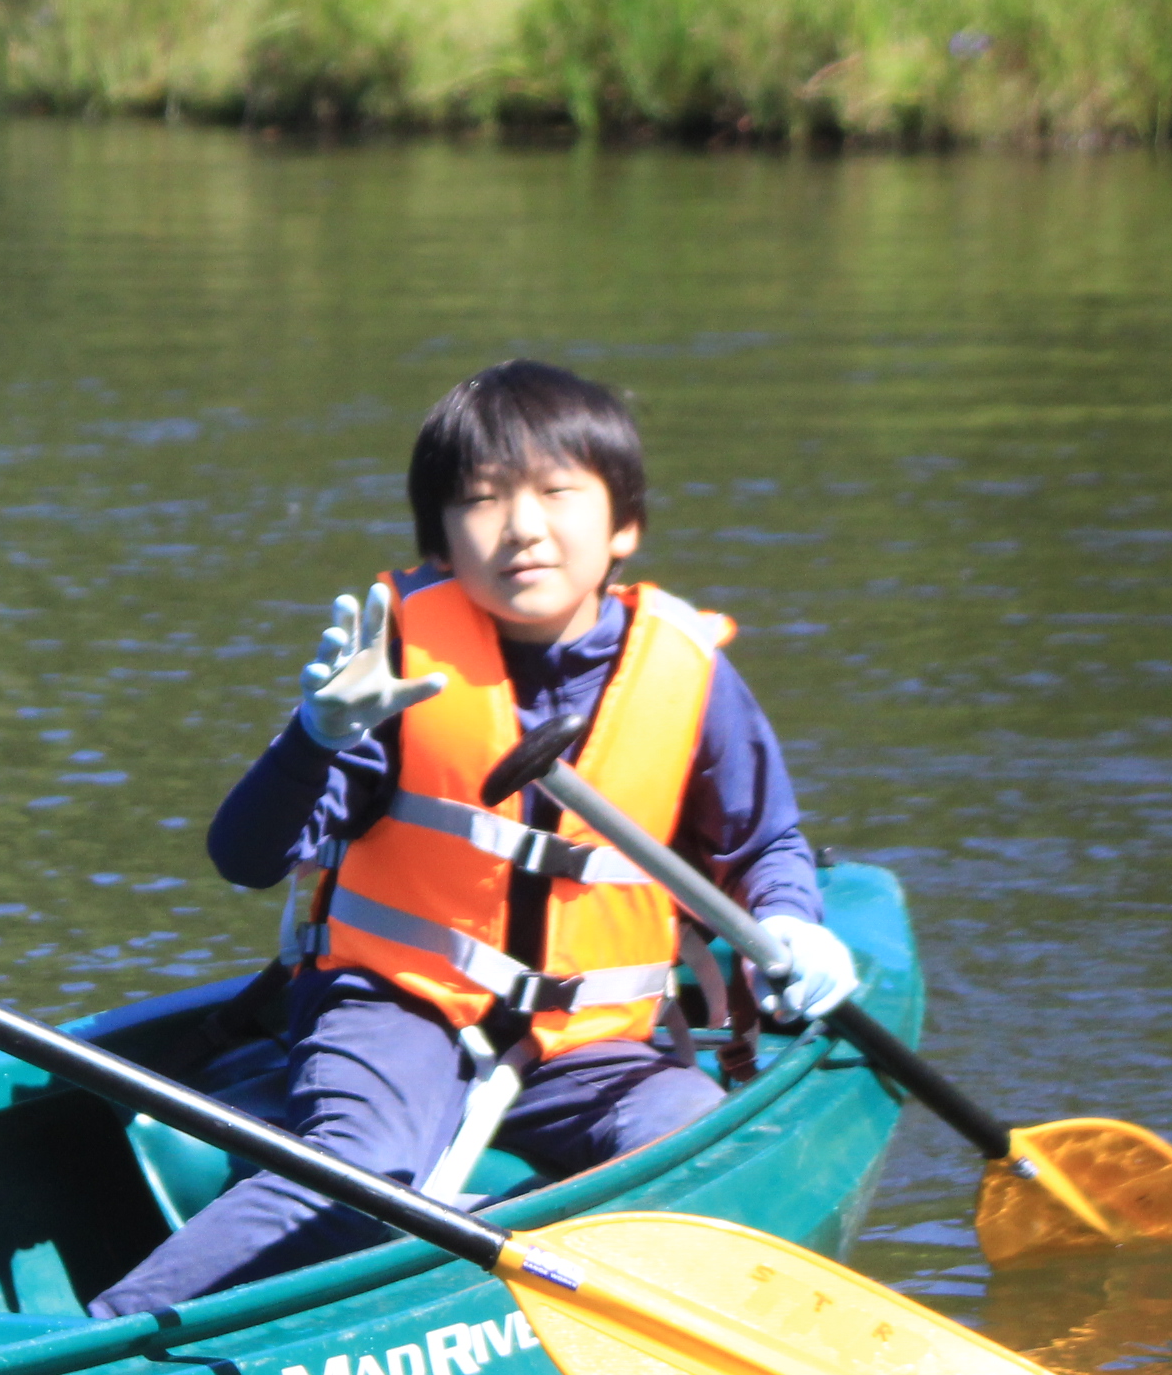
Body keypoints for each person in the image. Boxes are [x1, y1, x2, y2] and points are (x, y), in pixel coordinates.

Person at [85, 361, 858, 1318]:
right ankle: (111, 1338)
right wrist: (313, 738)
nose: (522, 526)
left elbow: (763, 846)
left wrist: (795, 923)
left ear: (623, 526)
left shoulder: (688, 673)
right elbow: (244, 859)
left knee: (693, 1148)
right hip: (398, 1007)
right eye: (483, 500)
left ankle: (543, 1284)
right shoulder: (393, 673)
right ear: (442, 540)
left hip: (594, 1045)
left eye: (557, 493)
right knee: (359, 1173)